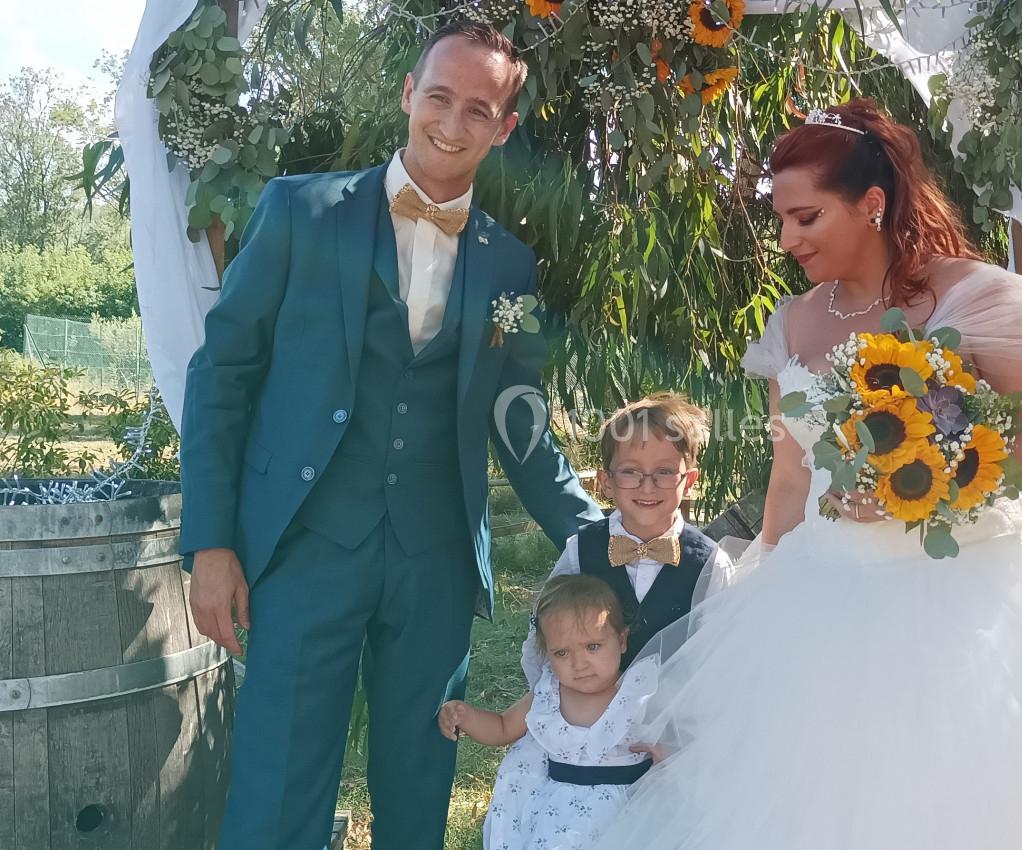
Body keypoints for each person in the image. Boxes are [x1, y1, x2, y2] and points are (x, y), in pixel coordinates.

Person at [590, 100, 1022, 849]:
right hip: (821, 595)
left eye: (806, 218)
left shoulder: (977, 298)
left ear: (870, 205)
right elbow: (792, 475)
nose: (786, 239)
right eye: (782, 220)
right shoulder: (795, 322)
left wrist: (940, 485)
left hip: (969, 596)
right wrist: (761, 578)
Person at [177, 22, 601, 850]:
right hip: (306, 548)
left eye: (479, 109)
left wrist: (604, 535)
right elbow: (221, 378)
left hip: (433, 560)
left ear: (503, 127)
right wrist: (211, 544)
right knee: (278, 783)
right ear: (409, 93)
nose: (452, 120)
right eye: (438, 96)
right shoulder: (298, 210)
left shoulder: (508, 264)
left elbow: (522, 421)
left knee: (418, 787)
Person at [517, 391, 734, 685]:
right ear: (606, 481)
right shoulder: (581, 550)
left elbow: (720, 655)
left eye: (665, 472)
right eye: (630, 472)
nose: (647, 487)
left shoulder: (711, 564)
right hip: (590, 717)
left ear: (689, 481)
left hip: (670, 722)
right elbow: (544, 634)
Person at [440, 575, 656, 850]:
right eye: (562, 653)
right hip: (556, 819)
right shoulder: (549, 694)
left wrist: (668, 756)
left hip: (624, 816)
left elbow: (675, 734)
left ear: (622, 640)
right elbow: (504, 727)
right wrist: (465, 715)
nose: (579, 664)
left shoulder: (639, 692)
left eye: (593, 647)